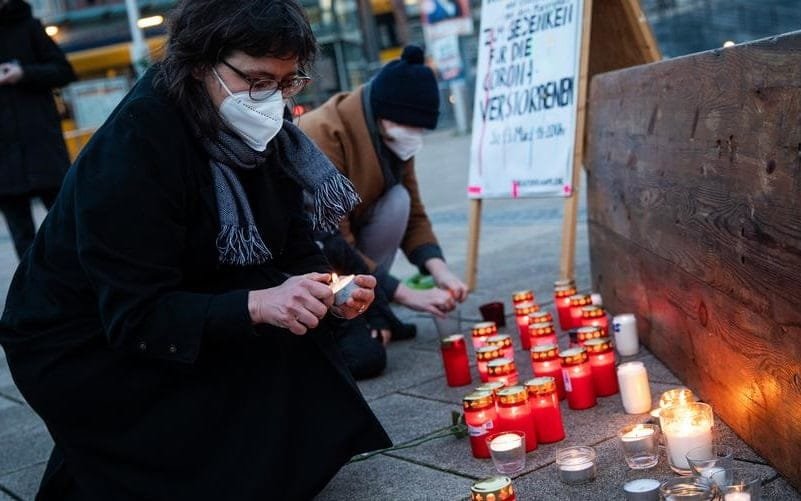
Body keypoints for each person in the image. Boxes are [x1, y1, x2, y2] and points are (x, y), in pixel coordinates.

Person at [0, 0, 391, 499]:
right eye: (257, 79)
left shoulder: (255, 131)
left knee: (299, 338)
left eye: (287, 82)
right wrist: (255, 303)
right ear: (202, 61)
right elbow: (133, 315)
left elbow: (292, 241)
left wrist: (326, 290)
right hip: (78, 341)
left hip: (177, 291)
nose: (271, 100)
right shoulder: (135, 147)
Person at [299, 45, 469, 355]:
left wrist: (440, 270)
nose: (416, 136)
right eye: (413, 126)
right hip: (322, 252)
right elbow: (333, 239)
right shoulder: (324, 133)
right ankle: (359, 303)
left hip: (353, 244)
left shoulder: (396, 139)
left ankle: (371, 297)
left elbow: (414, 213)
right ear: (384, 116)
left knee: (399, 200)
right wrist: (405, 294)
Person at [0, 0, 76, 259]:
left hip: (42, 149)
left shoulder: (28, 27)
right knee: (25, 245)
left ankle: (82, 288)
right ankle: (35, 296)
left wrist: (24, 73)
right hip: (5, 162)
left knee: (68, 229)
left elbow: (65, 71)